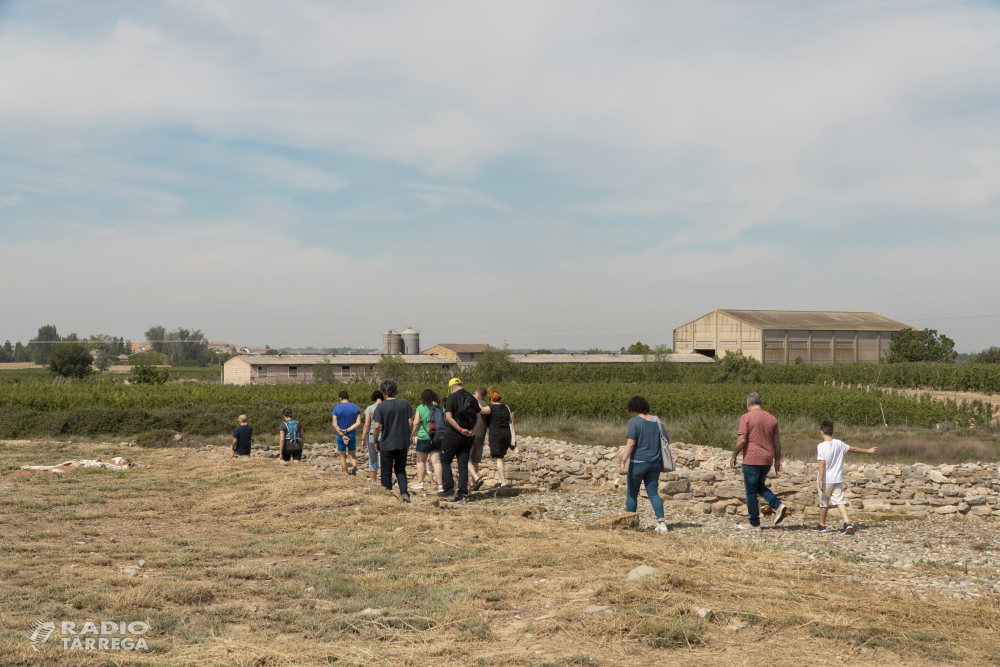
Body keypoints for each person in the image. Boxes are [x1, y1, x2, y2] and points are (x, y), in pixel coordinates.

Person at [730, 392, 788, 530]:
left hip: (751, 459)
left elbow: (742, 439)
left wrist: (734, 455)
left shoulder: (746, 417)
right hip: (767, 459)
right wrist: (778, 459)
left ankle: (754, 523)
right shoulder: (771, 419)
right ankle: (778, 505)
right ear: (761, 403)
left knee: (750, 491)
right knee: (758, 486)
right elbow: (777, 441)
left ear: (748, 404)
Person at [814, 420, 878, 535]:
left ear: (821, 433)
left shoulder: (821, 446)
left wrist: (820, 479)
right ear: (833, 432)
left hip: (826, 479)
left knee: (824, 503)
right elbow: (853, 449)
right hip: (837, 479)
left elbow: (822, 463)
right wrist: (868, 451)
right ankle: (847, 523)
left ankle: (822, 525)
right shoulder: (839, 443)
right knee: (840, 501)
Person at [617, 396, 668, 534]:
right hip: (655, 463)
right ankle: (662, 524)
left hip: (638, 463)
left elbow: (631, 443)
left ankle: (630, 523)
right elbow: (666, 439)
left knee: (632, 494)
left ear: (633, 408)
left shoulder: (634, 421)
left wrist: (623, 461)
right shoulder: (657, 420)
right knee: (653, 493)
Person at [438, 378, 482, 501]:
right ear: (461, 385)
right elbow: (479, 418)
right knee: (462, 463)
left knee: (445, 460)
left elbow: (448, 417)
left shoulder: (451, 397)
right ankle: (462, 492)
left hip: (453, 434)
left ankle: (448, 490)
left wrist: (460, 429)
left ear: (452, 388)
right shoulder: (473, 398)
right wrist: (472, 430)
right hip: (468, 436)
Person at [372, 379, 416, 502]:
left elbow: (376, 426)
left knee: (386, 470)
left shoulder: (381, 406)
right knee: (400, 469)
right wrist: (409, 435)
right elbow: (410, 422)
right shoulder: (404, 403)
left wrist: (376, 441)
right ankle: (404, 492)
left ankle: (388, 496)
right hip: (402, 442)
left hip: (386, 442)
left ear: (383, 392)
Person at [479, 390, 515, 487]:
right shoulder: (507, 407)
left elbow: (481, 410)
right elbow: (513, 421)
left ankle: (503, 482)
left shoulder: (491, 408)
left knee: (499, 458)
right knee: (501, 456)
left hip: (496, 434)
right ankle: (500, 480)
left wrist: (476, 400)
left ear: (491, 399)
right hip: (507, 433)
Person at [411, 389, 443, 492]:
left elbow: (415, 423)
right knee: (437, 462)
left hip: (424, 438)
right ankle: (440, 485)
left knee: (421, 461)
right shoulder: (441, 408)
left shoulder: (421, 408)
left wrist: (411, 435)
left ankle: (420, 483)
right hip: (437, 438)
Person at [332, 391, 361, 475]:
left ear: (340, 399)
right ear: (348, 398)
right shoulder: (355, 407)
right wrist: (347, 430)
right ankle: (355, 468)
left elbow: (334, 424)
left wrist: (342, 434)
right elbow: (358, 423)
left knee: (342, 456)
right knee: (352, 455)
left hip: (340, 436)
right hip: (352, 435)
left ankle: (345, 474)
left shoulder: (336, 408)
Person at [467, 387, 489, 492]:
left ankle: (476, 479)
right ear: (484, 396)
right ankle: (473, 483)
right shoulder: (485, 404)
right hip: (481, 435)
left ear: (476, 392)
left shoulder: (471, 402)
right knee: (475, 460)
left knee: (466, 459)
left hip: (472, 434)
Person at [360, 390, 384, 484]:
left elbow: (366, 425)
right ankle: (384, 479)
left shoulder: (369, 408)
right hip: (384, 435)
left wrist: (362, 438)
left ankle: (374, 481)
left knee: (373, 458)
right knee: (385, 458)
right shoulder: (386, 407)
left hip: (372, 435)